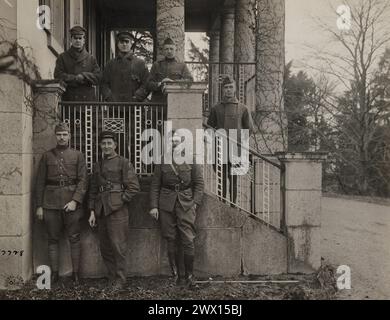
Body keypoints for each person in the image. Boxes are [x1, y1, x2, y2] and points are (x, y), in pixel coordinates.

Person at [149, 130, 204, 288]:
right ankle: (175, 275)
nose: (174, 143)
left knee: (188, 239)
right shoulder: (162, 161)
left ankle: (190, 277)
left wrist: (195, 203)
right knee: (170, 238)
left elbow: (199, 184)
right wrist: (153, 206)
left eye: (177, 141)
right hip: (166, 203)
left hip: (186, 203)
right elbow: (155, 185)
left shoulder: (191, 160)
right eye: (171, 141)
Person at [35, 123, 88, 285]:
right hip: (50, 204)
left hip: (72, 204)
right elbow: (40, 183)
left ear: (70, 135)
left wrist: (75, 201)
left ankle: (76, 274)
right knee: (52, 239)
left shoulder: (78, 155)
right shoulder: (46, 156)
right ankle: (54, 274)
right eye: (59, 134)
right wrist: (39, 206)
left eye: (65, 134)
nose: (62, 137)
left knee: (74, 238)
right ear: (55, 136)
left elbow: (83, 181)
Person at [88, 131, 140, 290]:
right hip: (101, 210)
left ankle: (120, 279)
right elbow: (93, 190)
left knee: (118, 246)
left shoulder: (124, 162)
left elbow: (134, 187)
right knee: (105, 247)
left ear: (115, 145)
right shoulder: (98, 165)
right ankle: (111, 276)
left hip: (118, 211)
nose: (106, 146)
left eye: (109, 143)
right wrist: (91, 211)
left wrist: (120, 200)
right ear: (100, 146)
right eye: (103, 143)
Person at [207, 75, 254, 205]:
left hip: (235, 149)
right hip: (220, 148)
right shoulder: (216, 108)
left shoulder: (243, 108)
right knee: (221, 178)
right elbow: (209, 128)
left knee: (233, 179)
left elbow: (249, 128)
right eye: (226, 87)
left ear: (235, 89)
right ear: (223, 89)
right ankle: (221, 204)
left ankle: (233, 206)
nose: (228, 90)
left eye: (230, 87)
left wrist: (239, 142)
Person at [54, 26, 101, 101]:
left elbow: (98, 77)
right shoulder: (62, 57)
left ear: (84, 40)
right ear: (71, 40)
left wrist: (84, 76)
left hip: (86, 101)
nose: (78, 41)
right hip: (69, 99)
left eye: (80, 38)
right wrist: (74, 78)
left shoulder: (91, 59)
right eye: (75, 38)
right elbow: (58, 75)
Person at [101, 31, 150, 102]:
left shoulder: (140, 64)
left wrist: (137, 97)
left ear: (131, 44)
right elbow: (103, 83)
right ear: (117, 44)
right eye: (121, 42)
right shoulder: (110, 64)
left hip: (135, 106)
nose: (124, 44)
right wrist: (109, 97)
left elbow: (146, 83)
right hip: (114, 106)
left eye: (127, 42)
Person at [147, 38, 193, 103]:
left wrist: (173, 83)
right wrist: (160, 84)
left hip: (175, 102)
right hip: (158, 104)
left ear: (175, 50)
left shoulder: (182, 66)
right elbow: (149, 84)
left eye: (171, 49)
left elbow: (189, 80)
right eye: (166, 49)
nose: (169, 51)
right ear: (163, 51)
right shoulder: (156, 65)